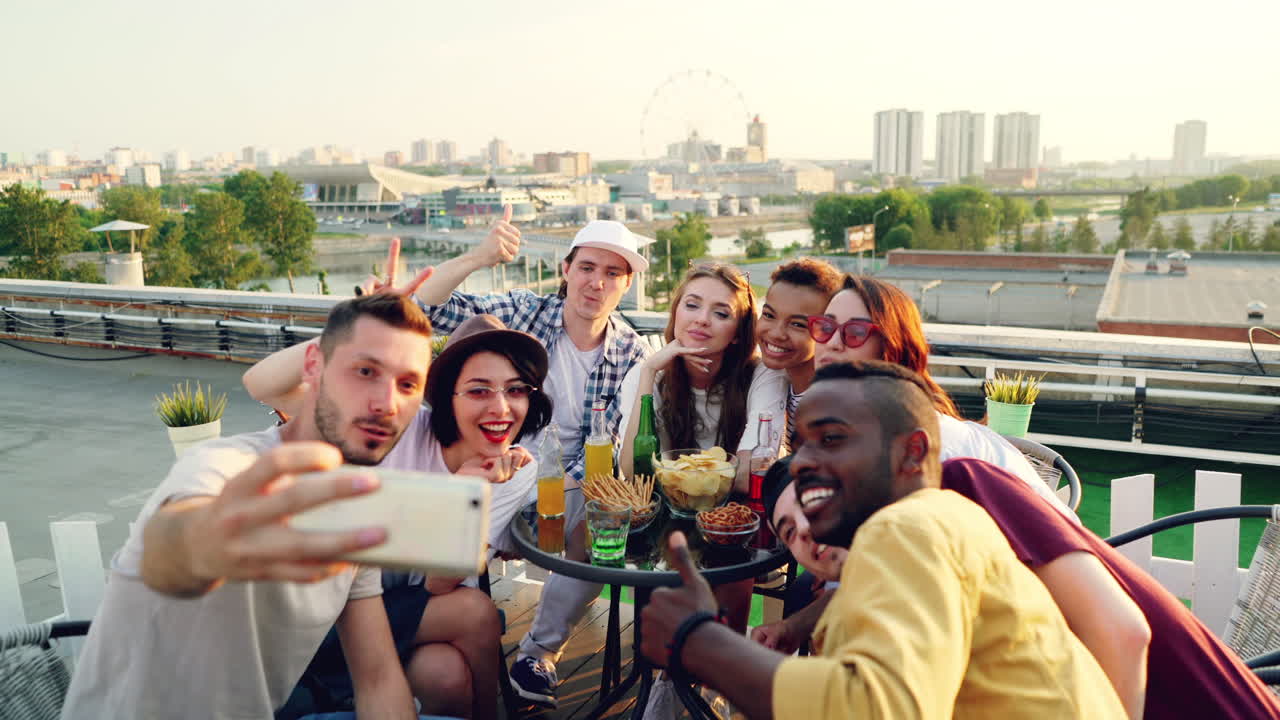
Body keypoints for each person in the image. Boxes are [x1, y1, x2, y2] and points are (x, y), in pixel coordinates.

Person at [638, 360, 1127, 719]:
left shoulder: (907, 525)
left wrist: (700, 642)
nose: (805, 463)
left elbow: (880, 707)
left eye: (832, 440)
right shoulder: (936, 524)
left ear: (911, 454)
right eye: (804, 442)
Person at [62, 293, 452, 719]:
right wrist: (211, 543)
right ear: (313, 368)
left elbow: (376, 677)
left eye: (408, 384)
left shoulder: (354, 512)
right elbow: (169, 550)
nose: (387, 403)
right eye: (365, 371)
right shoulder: (225, 466)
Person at [406, 212, 653, 708]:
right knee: (435, 584)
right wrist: (480, 256)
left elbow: (613, 456)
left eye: (611, 273)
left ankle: (538, 654)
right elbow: (427, 310)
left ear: (625, 285)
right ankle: (414, 627)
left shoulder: (632, 352)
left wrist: (555, 498)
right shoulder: (527, 313)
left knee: (604, 523)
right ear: (566, 270)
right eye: (587, 267)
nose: (596, 282)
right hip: (488, 470)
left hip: (569, 489)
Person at [276, 312, 554, 720]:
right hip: (326, 607)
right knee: (475, 612)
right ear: (447, 397)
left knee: (444, 673)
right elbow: (276, 391)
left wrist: (469, 493)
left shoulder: (515, 466)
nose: (501, 408)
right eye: (478, 391)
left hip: (407, 604)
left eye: (516, 390)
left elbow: (440, 583)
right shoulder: (398, 428)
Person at [813, 273, 1071, 514]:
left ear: (893, 350)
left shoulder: (921, 450)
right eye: (825, 327)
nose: (833, 343)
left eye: (856, 333)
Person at [618, 262, 787, 492]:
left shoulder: (763, 374)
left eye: (721, 313)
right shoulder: (646, 373)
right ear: (676, 312)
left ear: (738, 332)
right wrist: (648, 372)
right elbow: (634, 473)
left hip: (740, 516)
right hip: (671, 514)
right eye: (692, 305)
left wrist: (676, 474)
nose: (702, 319)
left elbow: (753, 472)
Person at [753, 257, 843, 452]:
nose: (777, 333)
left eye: (798, 324)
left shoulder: (832, 405)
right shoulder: (777, 381)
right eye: (769, 315)